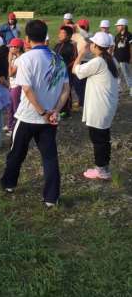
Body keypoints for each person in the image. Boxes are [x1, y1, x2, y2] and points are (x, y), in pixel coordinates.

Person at [0, 20, 70, 207]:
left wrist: (42, 112)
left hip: (28, 117)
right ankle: (51, 198)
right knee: (50, 157)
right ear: (46, 35)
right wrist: (55, 111)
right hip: (49, 118)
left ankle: (8, 183)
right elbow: (66, 89)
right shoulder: (58, 59)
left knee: (16, 153)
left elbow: (26, 88)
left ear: (27, 38)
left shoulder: (26, 59)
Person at [73, 32, 119, 180]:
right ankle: (104, 168)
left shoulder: (98, 62)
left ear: (97, 46)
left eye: (92, 43)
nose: (90, 45)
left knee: (99, 139)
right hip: (106, 105)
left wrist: (81, 54)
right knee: (103, 138)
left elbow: (76, 70)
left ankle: (101, 170)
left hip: (99, 106)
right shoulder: (111, 59)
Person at [53, 25, 77, 117]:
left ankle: (66, 110)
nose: (59, 35)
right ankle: (58, 108)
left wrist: (65, 68)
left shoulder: (72, 46)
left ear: (69, 35)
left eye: (62, 33)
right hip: (56, 72)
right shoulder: (57, 45)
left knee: (66, 90)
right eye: (60, 33)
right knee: (57, 89)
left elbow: (74, 60)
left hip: (67, 72)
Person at [6, 37, 24, 135]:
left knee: (16, 108)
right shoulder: (16, 57)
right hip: (13, 85)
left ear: (17, 48)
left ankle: (15, 129)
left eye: (11, 47)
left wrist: (9, 61)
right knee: (10, 107)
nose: (10, 49)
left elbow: (10, 74)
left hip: (17, 86)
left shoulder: (19, 59)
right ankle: (10, 125)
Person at [71, 19, 91, 107]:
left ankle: (83, 102)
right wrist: (71, 29)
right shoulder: (77, 35)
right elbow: (69, 39)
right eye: (81, 26)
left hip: (87, 61)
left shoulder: (90, 35)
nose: (82, 28)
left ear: (87, 27)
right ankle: (82, 101)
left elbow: (85, 35)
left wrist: (78, 27)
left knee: (83, 83)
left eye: (83, 26)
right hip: (79, 60)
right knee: (77, 83)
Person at [114, 18, 132, 96]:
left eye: (119, 25)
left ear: (123, 26)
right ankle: (119, 89)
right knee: (117, 74)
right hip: (116, 58)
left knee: (127, 74)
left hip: (125, 58)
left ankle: (131, 88)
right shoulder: (117, 36)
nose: (117, 27)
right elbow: (115, 47)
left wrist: (131, 57)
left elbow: (131, 47)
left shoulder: (129, 35)